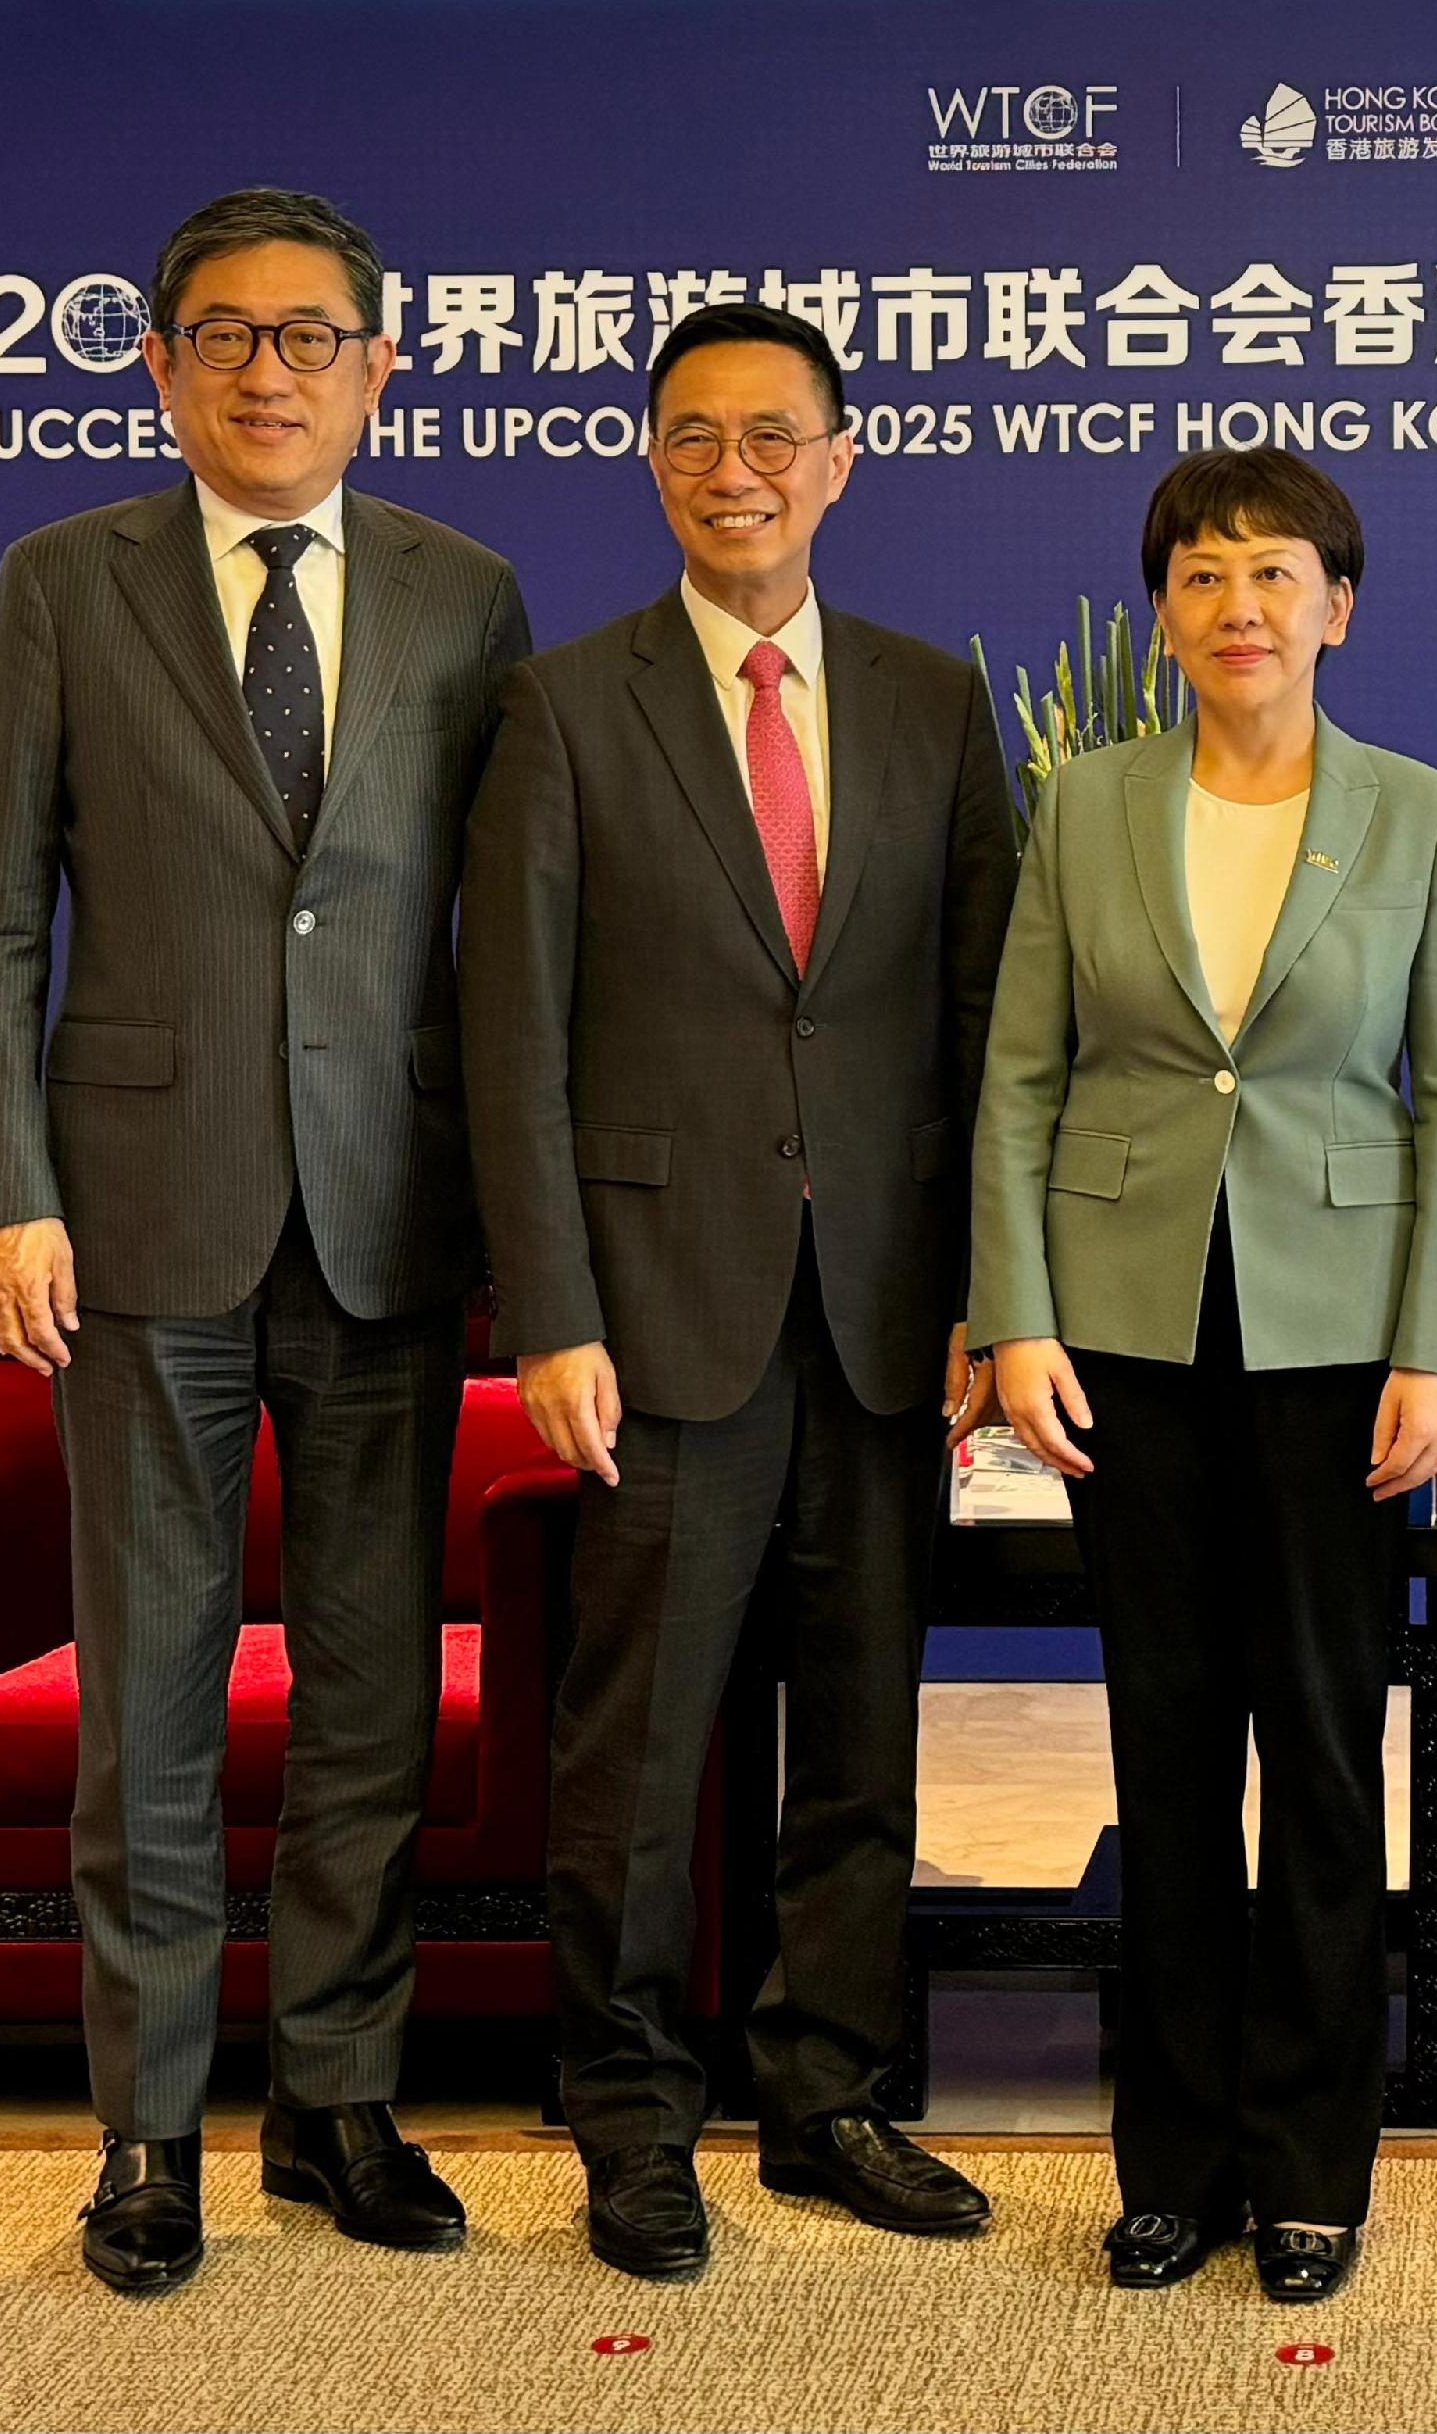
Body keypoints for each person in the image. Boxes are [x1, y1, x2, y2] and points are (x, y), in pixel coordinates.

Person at [0, 187, 531, 2295]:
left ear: (383, 364)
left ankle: (342, 2103)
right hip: (141, 1220)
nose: (266, 371)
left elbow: (512, 928)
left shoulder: (468, 595)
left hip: (387, 1215)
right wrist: (1, 1184)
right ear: (159, 365)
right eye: (221, 336)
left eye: (307, 335)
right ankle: (146, 2128)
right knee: (155, 1692)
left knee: (367, 1693)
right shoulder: (60, 583)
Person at [465, 302, 1023, 2282]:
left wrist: (986, 1283)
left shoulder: (929, 703)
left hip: (878, 1309)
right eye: (694, 435)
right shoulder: (561, 704)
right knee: (636, 1748)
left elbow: (988, 1027)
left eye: (774, 435)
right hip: (653, 1305)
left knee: (861, 1732)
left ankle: (824, 2092)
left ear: (840, 458)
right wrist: (547, 1309)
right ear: (649, 460)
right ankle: (629, 2116)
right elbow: (508, 1030)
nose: (736, 469)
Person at [976, 451, 1437, 2306]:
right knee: (1168, 1745)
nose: (1243, 607)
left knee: (1325, 1751)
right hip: (1124, 1335)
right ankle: (1172, 2158)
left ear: (1336, 607)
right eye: (1205, 576)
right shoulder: (1086, 803)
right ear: (1165, 610)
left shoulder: (1419, 813)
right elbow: (1021, 1075)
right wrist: (1015, 1315)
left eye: (1279, 573)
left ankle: (1313, 2167)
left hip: (1339, 1341)